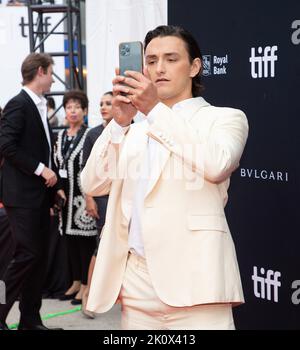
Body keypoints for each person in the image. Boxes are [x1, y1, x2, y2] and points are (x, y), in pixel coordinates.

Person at [81, 25, 249, 330]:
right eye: (152, 60)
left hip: (199, 281)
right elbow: (92, 183)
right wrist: (118, 125)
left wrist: (154, 110)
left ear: (195, 67)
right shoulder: (135, 128)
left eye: (171, 59)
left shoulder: (225, 118)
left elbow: (216, 164)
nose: (159, 68)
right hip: (137, 285)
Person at [0, 52, 65, 331]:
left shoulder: (40, 104)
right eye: (51, 72)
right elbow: (6, 145)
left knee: (37, 258)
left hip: (39, 196)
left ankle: (30, 319)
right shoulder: (18, 104)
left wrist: (55, 188)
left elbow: (43, 151)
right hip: (21, 196)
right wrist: (42, 170)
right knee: (27, 254)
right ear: (40, 71)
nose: (53, 78)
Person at [55, 90, 97, 305]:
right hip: (64, 197)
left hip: (82, 197)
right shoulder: (60, 136)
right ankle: (74, 282)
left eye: (77, 107)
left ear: (85, 111)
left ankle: (86, 286)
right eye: (69, 107)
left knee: (84, 242)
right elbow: (56, 165)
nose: (72, 111)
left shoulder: (89, 135)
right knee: (69, 242)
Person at [81, 91, 113, 318]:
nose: (103, 107)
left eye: (108, 103)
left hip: (125, 196)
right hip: (101, 197)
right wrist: (89, 198)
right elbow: (86, 170)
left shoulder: (137, 130)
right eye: (101, 104)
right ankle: (89, 295)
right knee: (100, 244)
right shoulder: (94, 134)